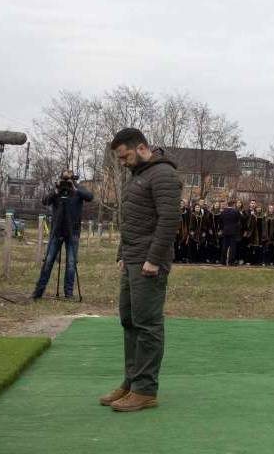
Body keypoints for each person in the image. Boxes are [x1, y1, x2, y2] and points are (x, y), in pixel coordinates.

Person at [101, 127, 181, 413]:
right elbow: (132, 219)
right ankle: (131, 382)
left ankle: (145, 389)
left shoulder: (163, 175)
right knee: (130, 321)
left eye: (125, 156)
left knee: (148, 324)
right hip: (133, 259)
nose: (122, 162)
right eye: (120, 159)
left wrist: (154, 259)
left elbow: (170, 220)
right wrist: (122, 254)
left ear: (142, 148)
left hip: (149, 262)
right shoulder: (138, 175)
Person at [33, 169, 94, 299]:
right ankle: (38, 292)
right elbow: (45, 201)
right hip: (57, 230)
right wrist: (55, 191)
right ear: (61, 178)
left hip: (73, 231)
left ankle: (69, 293)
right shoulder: (57, 190)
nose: (66, 182)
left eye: (69, 179)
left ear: (74, 179)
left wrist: (75, 188)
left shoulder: (78, 189)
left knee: (71, 262)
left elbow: (90, 197)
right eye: (64, 179)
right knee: (49, 260)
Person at [219, 200, 242, 265]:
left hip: (225, 231)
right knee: (232, 247)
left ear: (227, 204)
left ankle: (223, 261)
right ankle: (230, 261)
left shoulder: (223, 212)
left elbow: (220, 221)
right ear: (233, 205)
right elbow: (239, 219)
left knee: (224, 247)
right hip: (233, 231)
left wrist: (222, 229)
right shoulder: (236, 212)